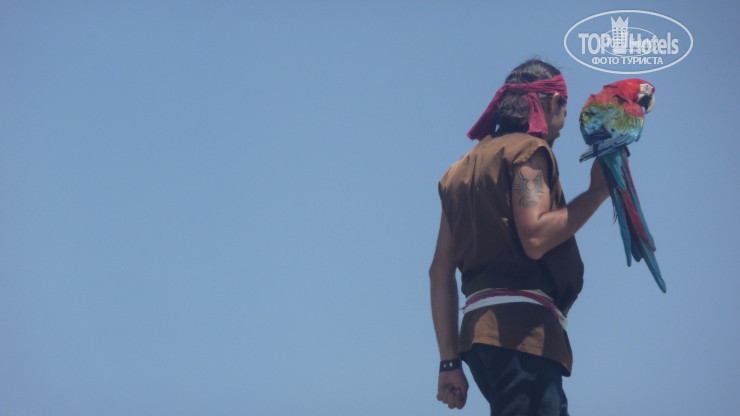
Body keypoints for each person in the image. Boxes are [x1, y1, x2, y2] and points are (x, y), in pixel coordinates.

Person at [429, 59, 610, 415]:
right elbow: (536, 236)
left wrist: (448, 362)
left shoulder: (458, 171)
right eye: (564, 110)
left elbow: (439, 271)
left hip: (479, 338)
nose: (562, 128)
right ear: (551, 103)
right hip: (522, 334)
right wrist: (597, 192)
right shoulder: (529, 152)